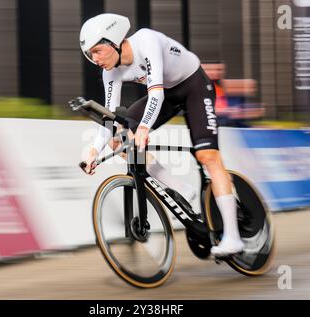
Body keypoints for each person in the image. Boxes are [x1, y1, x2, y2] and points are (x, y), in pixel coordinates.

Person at [79, 13, 244, 256]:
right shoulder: (110, 72)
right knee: (119, 140)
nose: (95, 59)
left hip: (194, 86)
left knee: (208, 156)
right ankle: (181, 188)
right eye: (90, 55)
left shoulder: (146, 41)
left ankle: (233, 237)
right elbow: (109, 118)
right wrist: (93, 151)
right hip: (167, 93)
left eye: (98, 51)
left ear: (114, 40)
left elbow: (155, 95)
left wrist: (144, 128)